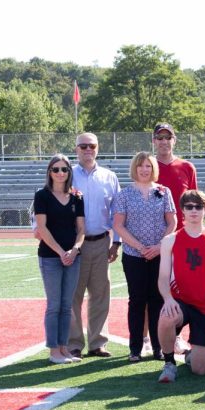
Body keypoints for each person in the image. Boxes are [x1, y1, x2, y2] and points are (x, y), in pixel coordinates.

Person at [156, 190, 205, 382]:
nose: (194, 210)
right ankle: (169, 362)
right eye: (189, 207)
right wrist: (168, 299)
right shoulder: (170, 240)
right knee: (166, 316)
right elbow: (163, 277)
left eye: (199, 207)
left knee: (200, 370)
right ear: (182, 210)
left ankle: (190, 355)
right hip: (180, 301)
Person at [113, 152, 177, 362]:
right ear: (134, 168)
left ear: (153, 168)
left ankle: (159, 347)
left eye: (148, 166)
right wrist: (140, 247)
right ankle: (135, 348)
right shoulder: (124, 194)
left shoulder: (163, 191)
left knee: (157, 300)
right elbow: (118, 226)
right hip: (134, 255)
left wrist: (159, 246)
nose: (144, 169)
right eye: (140, 166)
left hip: (159, 254)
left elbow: (172, 222)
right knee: (137, 301)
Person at [67, 132, 121, 358]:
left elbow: (117, 213)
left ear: (98, 148)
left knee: (100, 294)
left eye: (92, 146)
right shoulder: (66, 175)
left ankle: (98, 343)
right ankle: (74, 343)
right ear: (76, 149)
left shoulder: (109, 176)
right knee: (73, 296)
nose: (88, 150)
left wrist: (116, 242)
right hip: (74, 245)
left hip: (101, 242)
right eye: (83, 146)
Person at [32, 154, 85, 365]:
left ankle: (64, 349)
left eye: (64, 169)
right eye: (56, 169)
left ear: (69, 172)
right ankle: (54, 350)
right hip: (50, 257)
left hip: (73, 257)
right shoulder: (42, 195)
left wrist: (74, 250)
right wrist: (60, 252)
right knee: (54, 305)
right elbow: (41, 228)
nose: (60, 173)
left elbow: (81, 229)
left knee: (66, 306)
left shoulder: (77, 196)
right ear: (49, 172)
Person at [151, 122, 198, 222]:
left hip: (181, 230)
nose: (164, 141)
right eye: (160, 137)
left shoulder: (187, 167)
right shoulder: (147, 167)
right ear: (153, 141)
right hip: (153, 231)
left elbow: (195, 201)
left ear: (174, 140)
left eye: (168, 137)